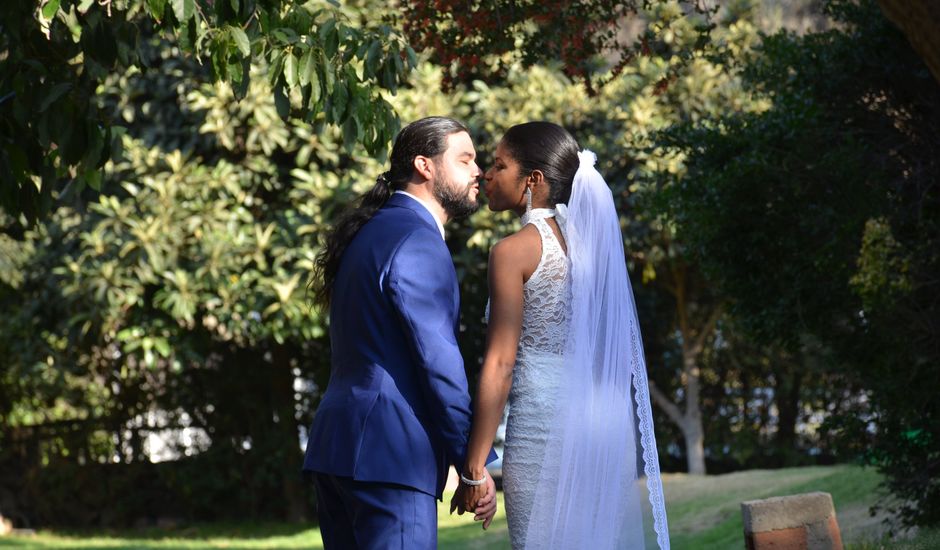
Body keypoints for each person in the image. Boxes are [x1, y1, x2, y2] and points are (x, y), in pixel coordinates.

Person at [457, 122, 671, 549]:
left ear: (533, 180)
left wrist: (473, 467)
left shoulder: (512, 251)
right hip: (601, 428)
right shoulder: (591, 247)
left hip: (543, 429)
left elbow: (499, 364)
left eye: (499, 165)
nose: (487, 175)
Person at [304, 116, 498, 549]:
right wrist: (473, 463)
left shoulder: (370, 233)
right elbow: (439, 363)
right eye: (465, 159)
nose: (478, 171)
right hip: (389, 455)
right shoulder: (417, 240)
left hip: (340, 450)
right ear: (425, 166)